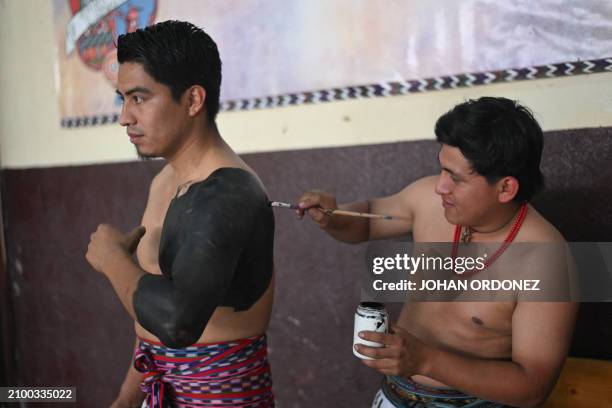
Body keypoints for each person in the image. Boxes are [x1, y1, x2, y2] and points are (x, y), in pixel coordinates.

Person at [298, 97, 577, 407]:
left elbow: (532, 389)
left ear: (505, 189)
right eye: (442, 170)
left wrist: (425, 361)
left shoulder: (547, 260)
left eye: (455, 178)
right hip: (394, 394)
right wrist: (332, 216)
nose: (439, 187)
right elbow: (367, 220)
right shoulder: (428, 201)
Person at [85, 20, 275, 407]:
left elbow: (177, 322)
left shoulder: (228, 192)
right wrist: (124, 400)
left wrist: (112, 260)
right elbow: (151, 317)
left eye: (139, 98)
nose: (125, 117)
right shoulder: (164, 181)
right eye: (123, 99)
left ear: (192, 101)